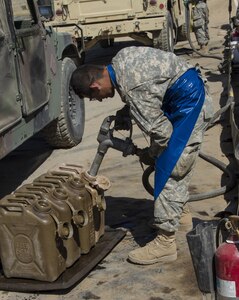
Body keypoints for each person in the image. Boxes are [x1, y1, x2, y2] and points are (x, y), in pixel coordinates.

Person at [71, 46, 213, 265]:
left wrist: (150, 154)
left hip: (190, 103)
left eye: (93, 97)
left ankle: (165, 243)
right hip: (184, 92)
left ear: (95, 85)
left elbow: (162, 134)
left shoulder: (132, 88)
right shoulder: (120, 61)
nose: (97, 101)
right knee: (169, 161)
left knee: (170, 167)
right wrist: (128, 111)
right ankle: (180, 215)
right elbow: (151, 85)